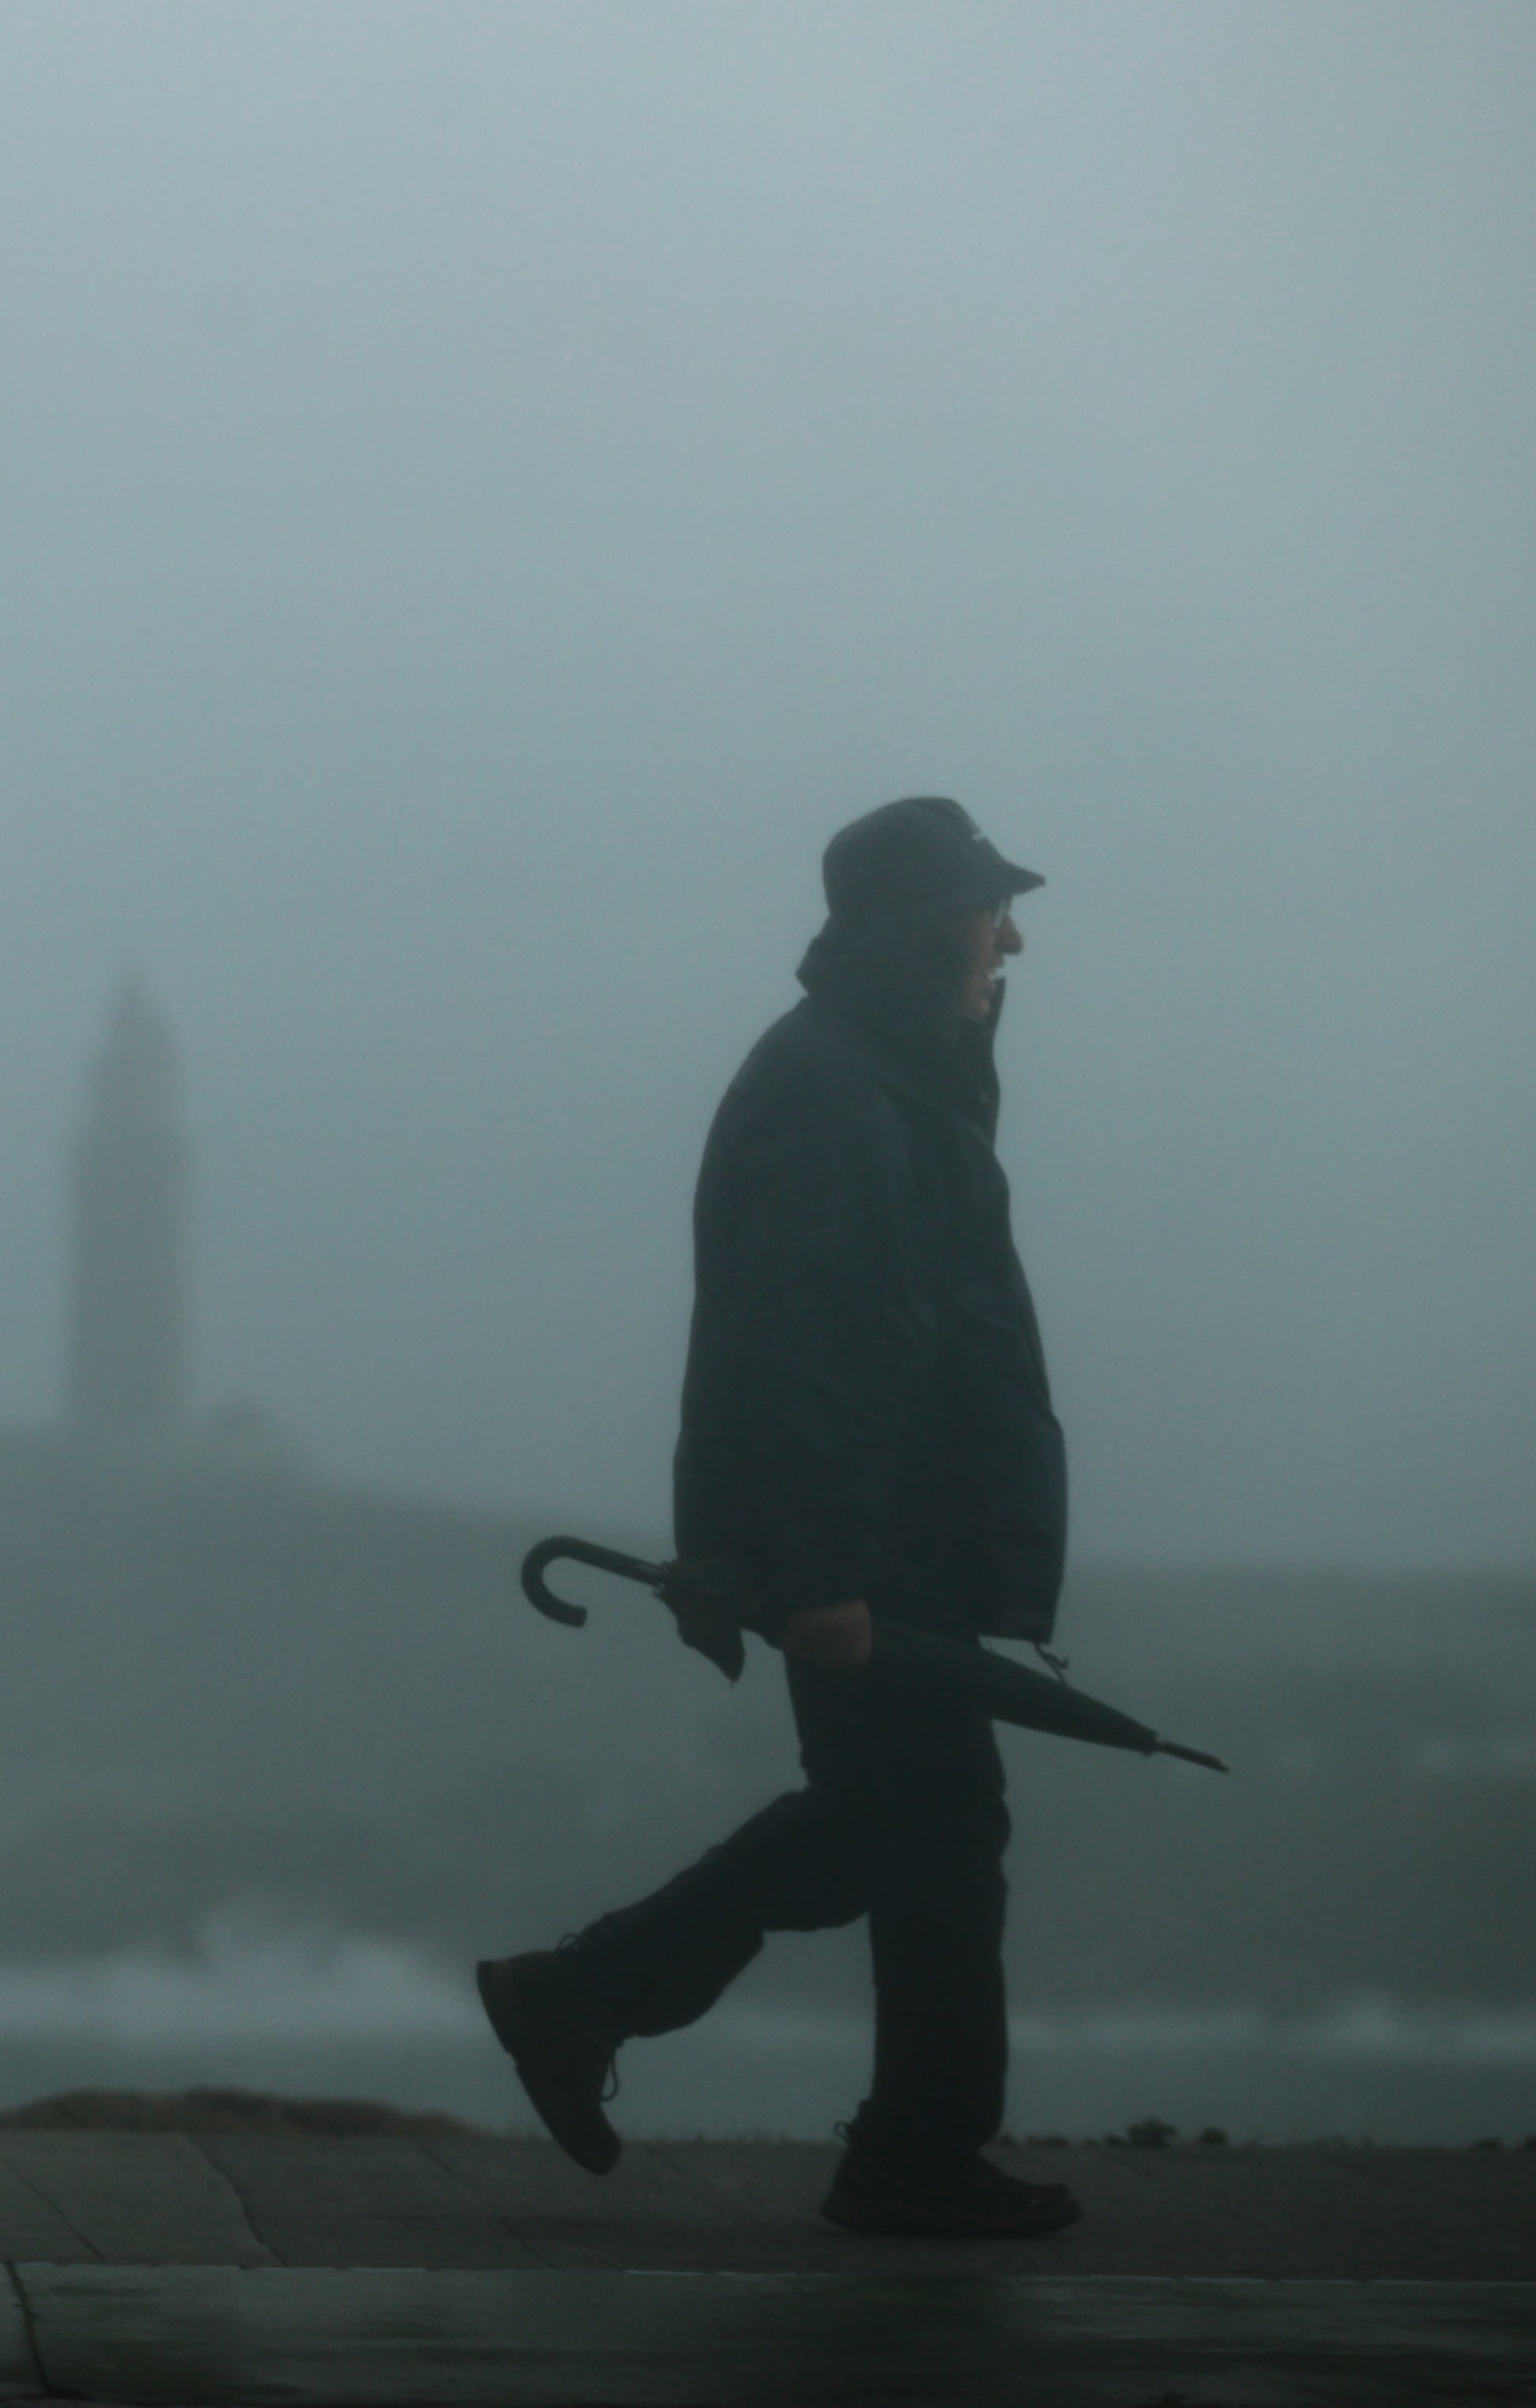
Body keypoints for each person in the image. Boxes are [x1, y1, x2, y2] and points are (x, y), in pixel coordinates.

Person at [477, 795, 1080, 2239]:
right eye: (993, 909)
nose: (1017, 937)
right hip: (871, 1549)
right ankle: (908, 2156)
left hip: (892, 1540)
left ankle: (584, 1998)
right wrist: (821, 1573)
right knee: (930, 1830)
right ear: (931, 925)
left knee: (884, 1822)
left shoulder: (886, 1073)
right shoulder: (842, 1090)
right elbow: (813, 1343)